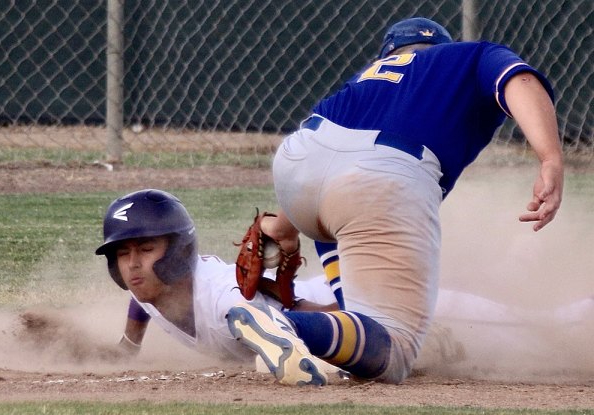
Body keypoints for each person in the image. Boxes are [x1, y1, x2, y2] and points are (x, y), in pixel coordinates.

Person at [225, 17, 565, 386]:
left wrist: (286, 225)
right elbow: (521, 81)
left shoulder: (367, 77)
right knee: (396, 350)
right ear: (441, 49)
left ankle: (280, 235)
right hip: (378, 179)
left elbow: (336, 160)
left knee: (345, 230)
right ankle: (285, 325)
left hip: (298, 165)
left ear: (389, 54)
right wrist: (549, 159)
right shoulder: (469, 56)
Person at [94, 188, 337, 361]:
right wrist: (130, 344)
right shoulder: (150, 283)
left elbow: (313, 318)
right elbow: (140, 302)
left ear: (179, 252)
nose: (133, 265)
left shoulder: (228, 301)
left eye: (146, 249)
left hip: (334, 299)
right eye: (123, 254)